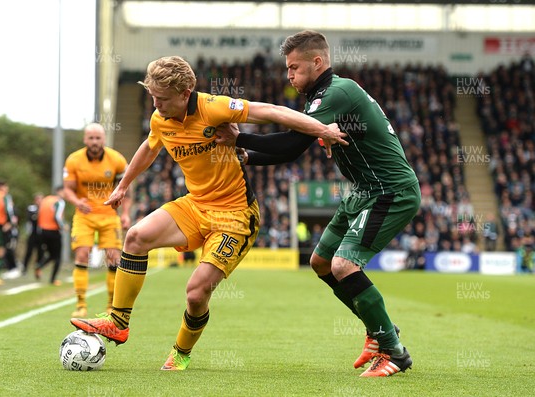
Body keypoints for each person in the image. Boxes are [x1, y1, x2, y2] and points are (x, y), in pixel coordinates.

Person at [70, 55, 345, 371]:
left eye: (162, 98)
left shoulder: (214, 107)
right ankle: (118, 321)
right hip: (196, 204)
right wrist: (123, 186)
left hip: (235, 215)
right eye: (152, 97)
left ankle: (181, 353)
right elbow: (149, 147)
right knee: (135, 237)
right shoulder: (161, 119)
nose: (156, 105)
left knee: (196, 293)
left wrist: (322, 129)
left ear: (185, 93)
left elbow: (273, 112)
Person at [216, 30, 420, 377]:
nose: (289, 75)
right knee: (322, 262)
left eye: (294, 68)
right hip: (361, 191)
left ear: (317, 62)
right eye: (287, 69)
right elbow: (296, 146)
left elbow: (293, 145)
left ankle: (394, 352)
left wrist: (240, 138)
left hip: (390, 191)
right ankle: (380, 328)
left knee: (343, 265)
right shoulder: (324, 99)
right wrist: (246, 156)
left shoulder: (336, 93)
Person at [63, 123, 132, 317]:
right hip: (84, 215)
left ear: (104, 139)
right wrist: (77, 201)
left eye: (98, 138)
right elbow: (67, 188)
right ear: (85, 139)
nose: (94, 142)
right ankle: (81, 304)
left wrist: (125, 213)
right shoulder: (74, 160)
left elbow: (127, 189)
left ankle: (111, 305)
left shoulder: (117, 160)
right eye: (91, 138)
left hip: (109, 215)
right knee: (82, 254)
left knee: (113, 257)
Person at [34, 186, 66, 285]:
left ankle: (39, 265)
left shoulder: (45, 200)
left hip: (42, 231)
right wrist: (63, 226)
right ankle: (53, 279)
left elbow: (38, 214)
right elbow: (57, 216)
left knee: (52, 255)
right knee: (58, 257)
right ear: (60, 192)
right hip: (53, 231)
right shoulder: (60, 201)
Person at [23, 193, 44, 275]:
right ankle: (24, 268)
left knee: (41, 253)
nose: (40, 201)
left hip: (41, 234)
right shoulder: (31, 208)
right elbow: (32, 218)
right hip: (33, 233)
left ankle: (38, 269)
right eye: (38, 199)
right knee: (29, 252)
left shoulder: (44, 208)